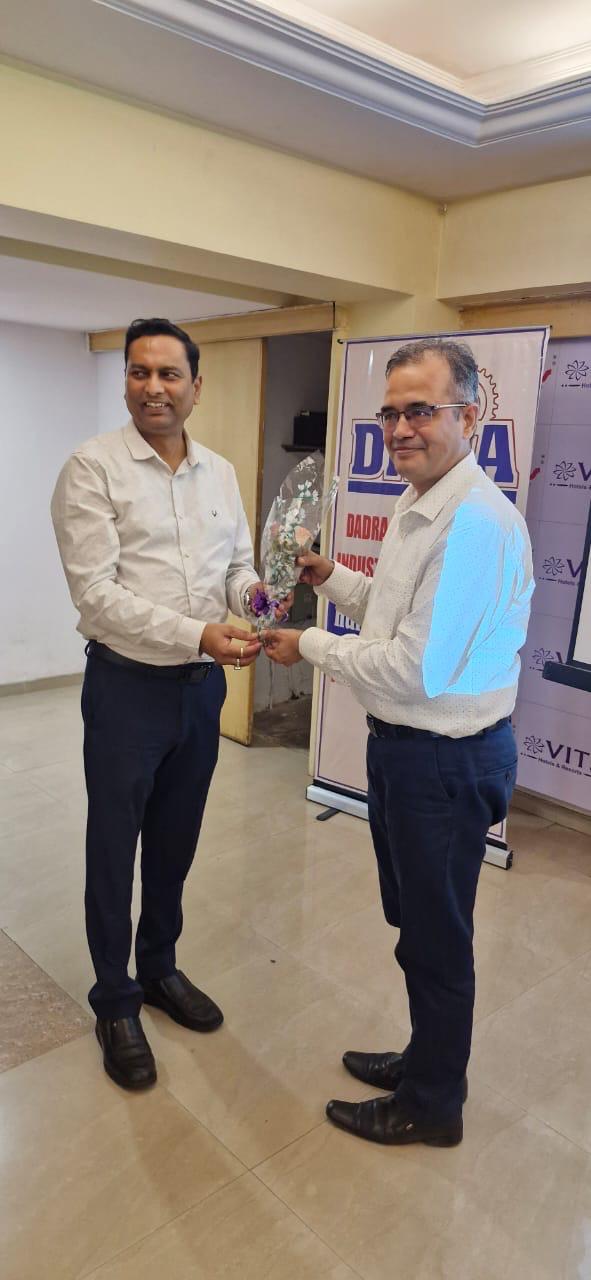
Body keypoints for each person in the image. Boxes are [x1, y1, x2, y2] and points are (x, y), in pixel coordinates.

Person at [263, 338, 534, 1148]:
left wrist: (308, 644)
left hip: (442, 762)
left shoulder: (473, 523)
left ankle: (432, 1104)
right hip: (409, 755)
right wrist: (330, 580)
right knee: (418, 928)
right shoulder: (423, 502)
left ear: (469, 417)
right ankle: (424, 1062)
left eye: (421, 410)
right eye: (389, 413)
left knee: (437, 941)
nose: (400, 429)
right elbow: (394, 612)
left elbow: (416, 669)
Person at [51, 317, 268, 1091]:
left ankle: (159, 968)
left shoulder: (219, 472)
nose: (153, 388)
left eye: (169, 374)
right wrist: (198, 633)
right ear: (126, 383)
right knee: (114, 848)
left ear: (194, 386)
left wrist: (257, 596)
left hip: (199, 693)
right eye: (139, 372)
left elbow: (236, 567)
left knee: (175, 842)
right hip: (127, 690)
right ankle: (115, 1001)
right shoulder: (92, 468)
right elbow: (97, 595)